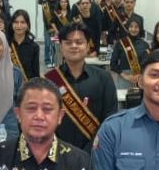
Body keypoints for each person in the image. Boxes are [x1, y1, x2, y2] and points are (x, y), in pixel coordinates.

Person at [47, 22, 117, 152]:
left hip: (95, 151)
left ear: (87, 46)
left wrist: (91, 149)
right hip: (58, 152)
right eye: (68, 42)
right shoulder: (49, 80)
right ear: (61, 47)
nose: (74, 46)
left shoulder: (103, 78)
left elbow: (110, 117)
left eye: (79, 42)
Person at [110, 18, 149, 86]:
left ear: (140, 28)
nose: (133, 29)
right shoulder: (120, 43)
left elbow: (147, 64)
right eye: (131, 26)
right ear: (127, 28)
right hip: (124, 78)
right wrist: (126, 77)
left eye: (136, 27)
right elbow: (113, 64)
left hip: (140, 79)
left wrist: (139, 76)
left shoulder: (145, 45)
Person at [8, 9, 40, 79]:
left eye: (22, 22)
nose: (19, 25)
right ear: (12, 24)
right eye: (16, 22)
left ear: (27, 25)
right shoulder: (6, 43)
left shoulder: (34, 47)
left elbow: (35, 74)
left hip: (27, 84)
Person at [38, 0, 60, 66]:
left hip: (56, 27)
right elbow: (39, 1)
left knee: (55, 44)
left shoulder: (58, 2)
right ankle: (47, 60)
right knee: (47, 44)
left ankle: (54, 60)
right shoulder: (45, 3)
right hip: (47, 27)